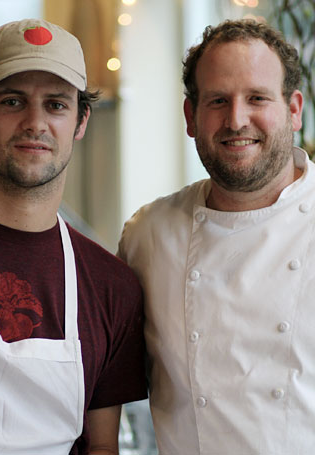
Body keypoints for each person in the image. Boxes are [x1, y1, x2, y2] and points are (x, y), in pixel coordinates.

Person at [0, 19, 147, 454]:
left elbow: (102, 448)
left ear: (80, 121)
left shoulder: (111, 287)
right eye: (13, 101)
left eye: (57, 105)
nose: (35, 123)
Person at [118, 18, 314, 454]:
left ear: (294, 110)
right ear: (191, 116)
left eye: (257, 98)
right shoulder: (147, 235)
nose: (236, 119)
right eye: (218, 101)